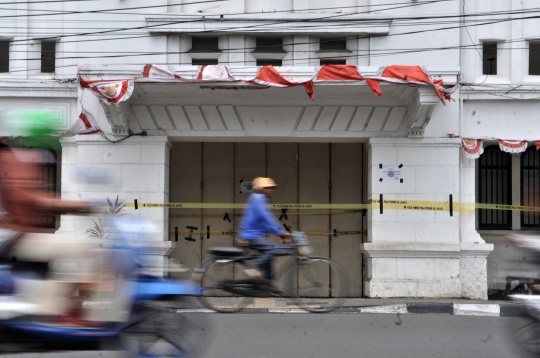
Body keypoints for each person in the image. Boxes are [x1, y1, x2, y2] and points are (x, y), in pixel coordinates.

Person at [0, 110, 108, 325]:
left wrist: (71, 206)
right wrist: (79, 205)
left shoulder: (23, 156)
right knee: (90, 250)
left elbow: (35, 199)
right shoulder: (11, 159)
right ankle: (71, 311)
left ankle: (56, 308)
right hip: (17, 237)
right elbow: (28, 198)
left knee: (66, 262)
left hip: (22, 235)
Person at [238, 177, 291, 292]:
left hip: (257, 234)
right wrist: (279, 231)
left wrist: (278, 232)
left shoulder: (260, 199)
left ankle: (269, 282)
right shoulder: (258, 198)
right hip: (251, 234)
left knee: (270, 254)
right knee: (270, 250)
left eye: (272, 188)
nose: (271, 190)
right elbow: (266, 217)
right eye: (268, 188)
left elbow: (265, 221)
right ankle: (254, 268)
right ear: (261, 189)